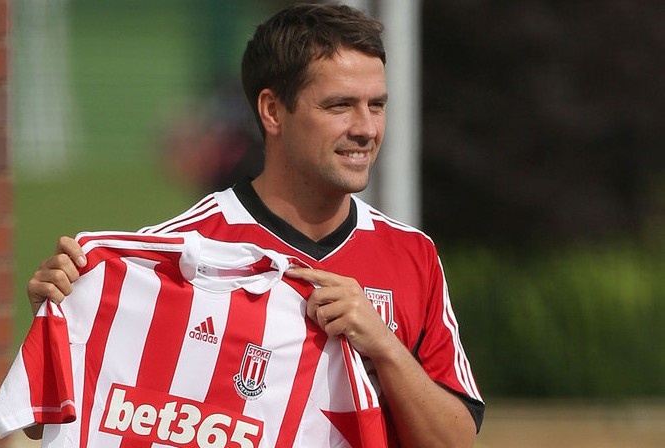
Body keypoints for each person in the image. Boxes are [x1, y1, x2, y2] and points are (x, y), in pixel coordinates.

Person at [27, 3, 485, 447]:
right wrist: (62, 322)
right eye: (340, 105)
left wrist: (384, 346)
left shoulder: (412, 254)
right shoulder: (173, 255)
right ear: (272, 111)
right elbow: (55, 420)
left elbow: (455, 440)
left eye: (377, 105)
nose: (366, 128)